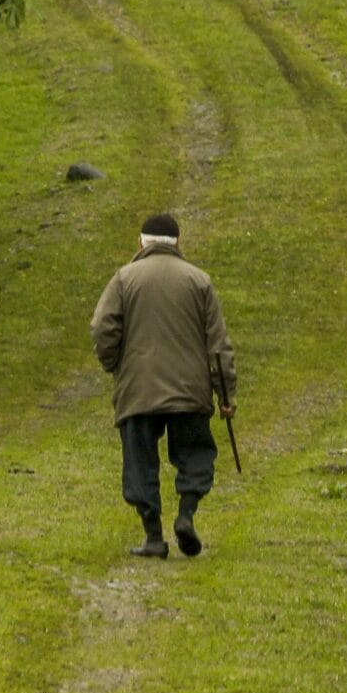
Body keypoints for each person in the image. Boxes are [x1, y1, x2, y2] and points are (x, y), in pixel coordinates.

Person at [90, 211, 236, 559]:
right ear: (178, 243)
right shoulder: (199, 281)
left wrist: (114, 364)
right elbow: (218, 346)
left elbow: (101, 328)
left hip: (138, 390)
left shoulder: (124, 279)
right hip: (190, 391)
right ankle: (185, 514)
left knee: (140, 460)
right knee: (195, 455)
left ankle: (154, 536)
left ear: (140, 242)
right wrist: (225, 394)